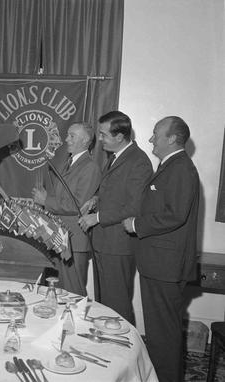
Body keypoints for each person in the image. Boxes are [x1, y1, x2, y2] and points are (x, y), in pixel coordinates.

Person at [122, 116, 200, 382]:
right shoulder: (171, 166)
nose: (151, 139)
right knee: (158, 333)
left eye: (156, 134)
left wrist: (136, 223)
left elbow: (175, 215)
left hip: (165, 266)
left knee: (163, 335)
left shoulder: (180, 168)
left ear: (172, 138)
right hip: (158, 263)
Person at [78, 111, 153, 323]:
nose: (99, 139)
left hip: (118, 246)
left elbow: (134, 207)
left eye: (103, 135)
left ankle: (123, 351)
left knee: (117, 304)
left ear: (119, 137)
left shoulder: (138, 162)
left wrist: (98, 217)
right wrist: (95, 198)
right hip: (105, 242)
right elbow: (113, 192)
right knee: (104, 302)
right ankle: (105, 346)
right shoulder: (115, 158)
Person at [32, 122, 101, 296]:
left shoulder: (90, 167)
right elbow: (62, 198)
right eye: (68, 135)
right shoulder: (67, 163)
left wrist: (46, 200)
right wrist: (45, 198)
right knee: (54, 290)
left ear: (85, 141)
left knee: (72, 293)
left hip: (74, 240)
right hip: (57, 237)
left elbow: (77, 205)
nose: (66, 139)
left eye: (72, 136)